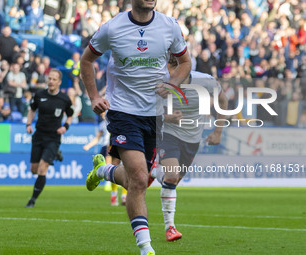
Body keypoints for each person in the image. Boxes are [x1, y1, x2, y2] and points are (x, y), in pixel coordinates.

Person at [80, 0, 191, 254]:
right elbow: (86, 61)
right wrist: (95, 97)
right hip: (123, 112)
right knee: (140, 179)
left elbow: (185, 62)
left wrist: (172, 85)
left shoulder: (169, 26)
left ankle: (103, 171)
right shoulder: (112, 28)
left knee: (136, 181)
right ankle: (146, 248)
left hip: (155, 115)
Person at [150, 54, 228, 241]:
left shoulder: (206, 81)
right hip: (167, 134)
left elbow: (223, 102)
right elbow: (145, 112)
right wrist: (166, 118)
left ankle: (154, 172)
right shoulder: (159, 84)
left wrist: (218, 132)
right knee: (172, 175)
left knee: (172, 181)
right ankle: (170, 228)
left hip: (193, 139)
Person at [25, 69, 73, 208]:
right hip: (39, 135)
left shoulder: (64, 99)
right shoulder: (39, 95)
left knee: (42, 168)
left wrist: (65, 127)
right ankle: (56, 155)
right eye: (49, 78)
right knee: (33, 169)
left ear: (59, 82)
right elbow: (32, 109)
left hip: (53, 137)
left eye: (54, 79)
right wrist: (28, 124)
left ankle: (32, 200)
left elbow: (70, 115)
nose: (51, 81)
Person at [82, 111, 127, 206]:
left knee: (125, 168)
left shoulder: (118, 119)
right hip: (109, 145)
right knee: (113, 166)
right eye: (101, 113)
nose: (103, 114)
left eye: (104, 112)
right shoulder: (103, 124)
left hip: (122, 141)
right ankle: (114, 195)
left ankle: (124, 196)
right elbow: (97, 138)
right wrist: (89, 145)